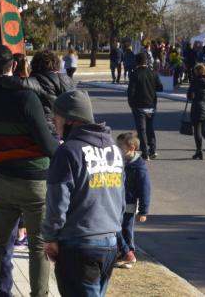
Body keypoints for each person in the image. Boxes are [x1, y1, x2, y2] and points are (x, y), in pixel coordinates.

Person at [0, 45, 59, 297]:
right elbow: (45, 141)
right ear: (14, 66)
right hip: (35, 181)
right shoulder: (25, 97)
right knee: (37, 246)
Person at [42, 90, 125, 296]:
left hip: (79, 244)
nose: (54, 121)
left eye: (57, 116)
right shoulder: (113, 148)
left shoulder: (68, 151)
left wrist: (51, 236)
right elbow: (120, 196)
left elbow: (57, 200)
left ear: (71, 119)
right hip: (109, 241)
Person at [114, 132, 151, 270]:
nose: (117, 149)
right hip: (117, 202)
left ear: (132, 148)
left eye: (120, 147)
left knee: (125, 230)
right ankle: (123, 253)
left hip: (128, 204)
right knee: (117, 228)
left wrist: (143, 211)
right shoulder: (120, 162)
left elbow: (145, 190)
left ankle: (129, 254)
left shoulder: (139, 168)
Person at [24, 50, 76, 134]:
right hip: (65, 129)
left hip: (40, 130)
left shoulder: (30, 81)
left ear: (35, 64)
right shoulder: (67, 80)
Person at [127, 52, 163, 160]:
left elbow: (131, 91)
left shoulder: (134, 74)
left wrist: (131, 103)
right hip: (151, 104)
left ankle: (145, 152)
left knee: (141, 129)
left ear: (136, 61)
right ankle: (153, 149)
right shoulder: (153, 73)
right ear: (146, 61)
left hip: (139, 105)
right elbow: (160, 88)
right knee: (150, 128)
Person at [187, 63, 205, 159]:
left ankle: (199, 151)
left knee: (197, 131)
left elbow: (190, 97)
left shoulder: (196, 82)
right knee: (204, 129)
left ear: (198, 72)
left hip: (198, 108)